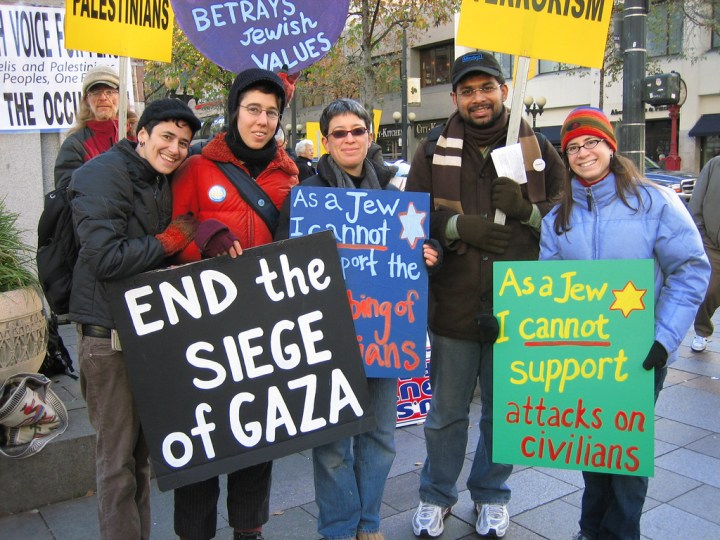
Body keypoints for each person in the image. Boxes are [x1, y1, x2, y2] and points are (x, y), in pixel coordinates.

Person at [405, 50, 565, 538]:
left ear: (504, 91)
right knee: (445, 415)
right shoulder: (431, 150)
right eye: (468, 90)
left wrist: (525, 211)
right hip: (452, 307)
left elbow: (568, 221)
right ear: (455, 97)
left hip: (518, 308)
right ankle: (436, 495)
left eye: (487, 88)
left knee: (504, 415)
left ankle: (492, 495)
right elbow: (409, 220)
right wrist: (457, 226)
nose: (479, 98)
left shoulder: (540, 150)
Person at [540, 106, 710, 540]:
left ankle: (620, 534)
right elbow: (546, 290)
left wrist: (664, 338)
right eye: (573, 147)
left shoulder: (655, 202)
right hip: (583, 355)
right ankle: (590, 530)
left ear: (610, 146)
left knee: (626, 455)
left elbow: (690, 269)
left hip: (640, 353)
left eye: (591, 142)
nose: (583, 153)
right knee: (590, 447)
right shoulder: (557, 219)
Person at [275, 98, 440, 540]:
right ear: (325, 141)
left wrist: (431, 254)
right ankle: (338, 527)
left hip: (385, 335)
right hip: (327, 339)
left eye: (357, 131)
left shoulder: (396, 199)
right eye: (339, 133)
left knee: (380, 437)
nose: (349, 139)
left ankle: (368, 523)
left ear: (370, 136)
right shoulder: (306, 197)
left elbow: (418, 255)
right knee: (332, 443)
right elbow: (283, 263)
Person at [170, 68, 298, 540]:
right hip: (202, 327)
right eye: (253, 109)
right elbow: (171, 231)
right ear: (234, 111)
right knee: (201, 439)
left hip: (263, 326)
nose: (262, 120)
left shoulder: (290, 174)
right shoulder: (196, 167)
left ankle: (249, 530)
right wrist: (204, 237)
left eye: (271, 112)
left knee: (256, 437)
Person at [68, 98, 202, 540]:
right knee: (116, 464)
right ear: (140, 134)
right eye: (167, 136)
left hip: (143, 335)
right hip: (107, 340)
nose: (175, 148)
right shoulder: (103, 173)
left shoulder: (158, 177)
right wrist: (166, 243)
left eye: (183, 142)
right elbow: (104, 257)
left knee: (140, 460)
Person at [54, 65, 135, 190]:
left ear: (121, 96)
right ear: (87, 99)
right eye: (96, 92)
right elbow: (67, 189)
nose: (103, 98)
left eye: (110, 92)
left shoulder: (139, 135)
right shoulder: (75, 145)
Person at [688, 155, 720, 352]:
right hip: (712, 243)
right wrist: (700, 233)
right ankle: (702, 330)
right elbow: (697, 201)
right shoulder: (715, 164)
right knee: (710, 291)